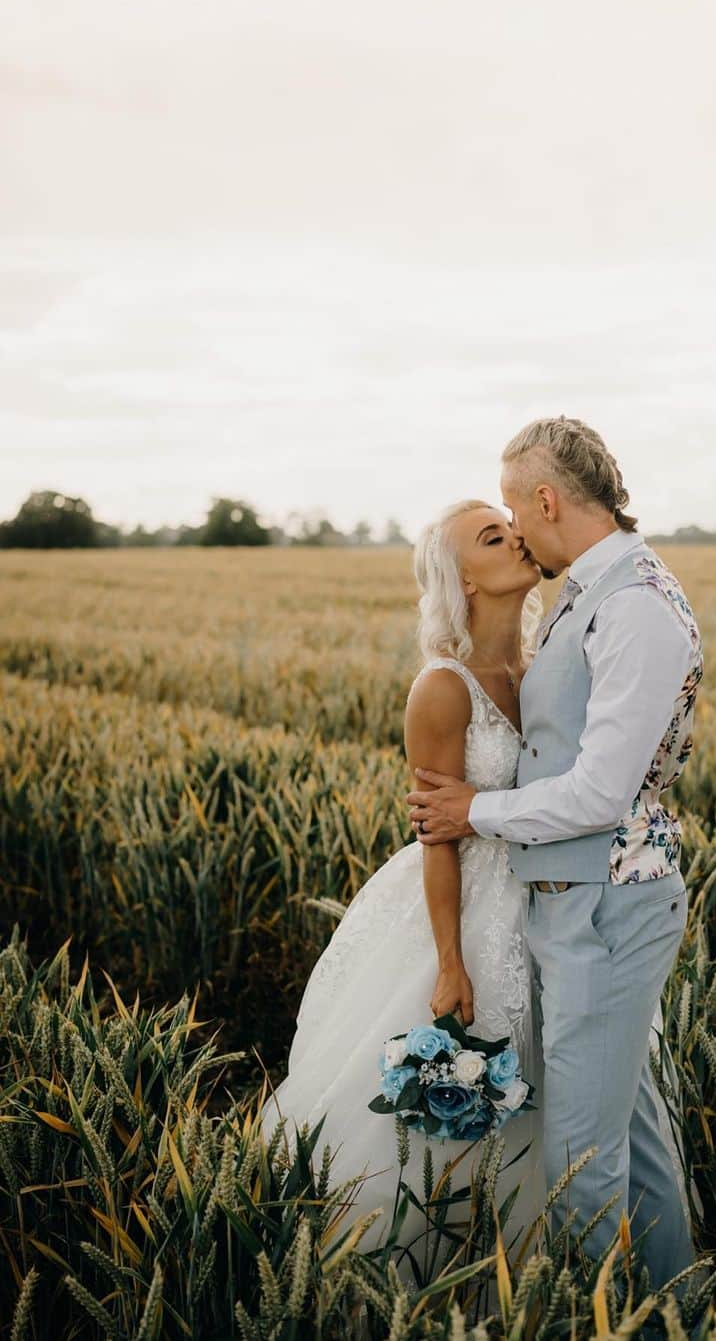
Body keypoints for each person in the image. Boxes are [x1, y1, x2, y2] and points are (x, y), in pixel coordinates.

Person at [408, 416, 703, 1291]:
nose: (513, 526)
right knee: (631, 1136)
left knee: (579, 1161)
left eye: (511, 508)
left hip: (609, 903)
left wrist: (477, 808)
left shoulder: (637, 603)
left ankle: (586, 1316)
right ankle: (675, 1303)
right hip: (571, 901)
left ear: (545, 499)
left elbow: (601, 793)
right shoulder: (588, 590)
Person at [259, 499, 551, 1272]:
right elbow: (436, 837)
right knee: (461, 1091)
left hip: (553, 900)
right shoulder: (443, 688)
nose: (517, 536)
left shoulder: (545, 666)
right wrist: (452, 962)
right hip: (468, 906)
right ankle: (426, 1273)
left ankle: (540, 1265)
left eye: (511, 524)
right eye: (494, 536)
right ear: (463, 580)